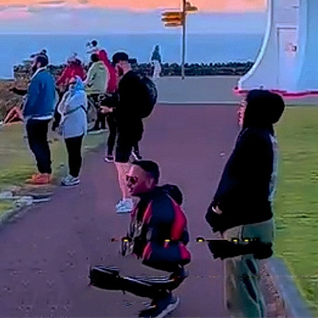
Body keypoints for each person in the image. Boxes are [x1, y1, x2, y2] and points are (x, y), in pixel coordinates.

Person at [206, 89, 285, 318]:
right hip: (257, 220)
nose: (240, 110)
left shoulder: (252, 138)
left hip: (244, 223)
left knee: (241, 297)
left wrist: (218, 209)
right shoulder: (264, 135)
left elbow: (240, 184)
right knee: (249, 291)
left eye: (244, 105)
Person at [89, 159, 190, 318]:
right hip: (153, 257)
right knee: (100, 274)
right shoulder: (146, 201)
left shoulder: (158, 210)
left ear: (150, 182)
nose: (128, 183)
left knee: (119, 275)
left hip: (166, 265)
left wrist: (129, 262)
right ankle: (156, 290)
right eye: (127, 178)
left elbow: (154, 247)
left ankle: (163, 298)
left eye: (133, 180)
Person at [100, 52, 148, 213]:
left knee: (122, 166)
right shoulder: (135, 79)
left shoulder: (127, 82)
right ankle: (128, 198)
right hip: (132, 126)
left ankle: (129, 199)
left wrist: (110, 109)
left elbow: (126, 108)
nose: (115, 70)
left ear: (120, 63)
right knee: (121, 164)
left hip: (128, 127)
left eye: (115, 66)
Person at [22, 53, 56, 185]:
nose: (31, 65)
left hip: (37, 115)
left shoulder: (37, 79)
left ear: (39, 63)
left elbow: (32, 99)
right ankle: (45, 171)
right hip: (46, 114)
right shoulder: (49, 77)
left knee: (36, 145)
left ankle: (44, 173)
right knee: (42, 143)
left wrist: (26, 113)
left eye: (33, 62)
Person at [57, 75, 87, 186]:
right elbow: (60, 108)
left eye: (74, 83)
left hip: (77, 126)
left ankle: (74, 175)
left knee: (75, 151)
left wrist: (65, 103)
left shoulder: (81, 95)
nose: (72, 86)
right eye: (70, 83)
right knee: (70, 152)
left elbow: (68, 107)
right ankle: (71, 174)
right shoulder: (68, 95)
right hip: (68, 127)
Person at [53, 54, 86, 131]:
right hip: (72, 89)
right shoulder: (77, 69)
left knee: (61, 106)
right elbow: (63, 77)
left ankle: (58, 123)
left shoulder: (72, 69)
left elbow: (64, 78)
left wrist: (58, 83)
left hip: (70, 89)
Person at [85, 51, 109, 131]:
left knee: (94, 108)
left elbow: (89, 80)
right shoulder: (105, 67)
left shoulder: (93, 67)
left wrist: (83, 84)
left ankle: (96, 125)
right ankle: (102, 125)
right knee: (101, 106)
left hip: (93, 90)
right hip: (102, 90)